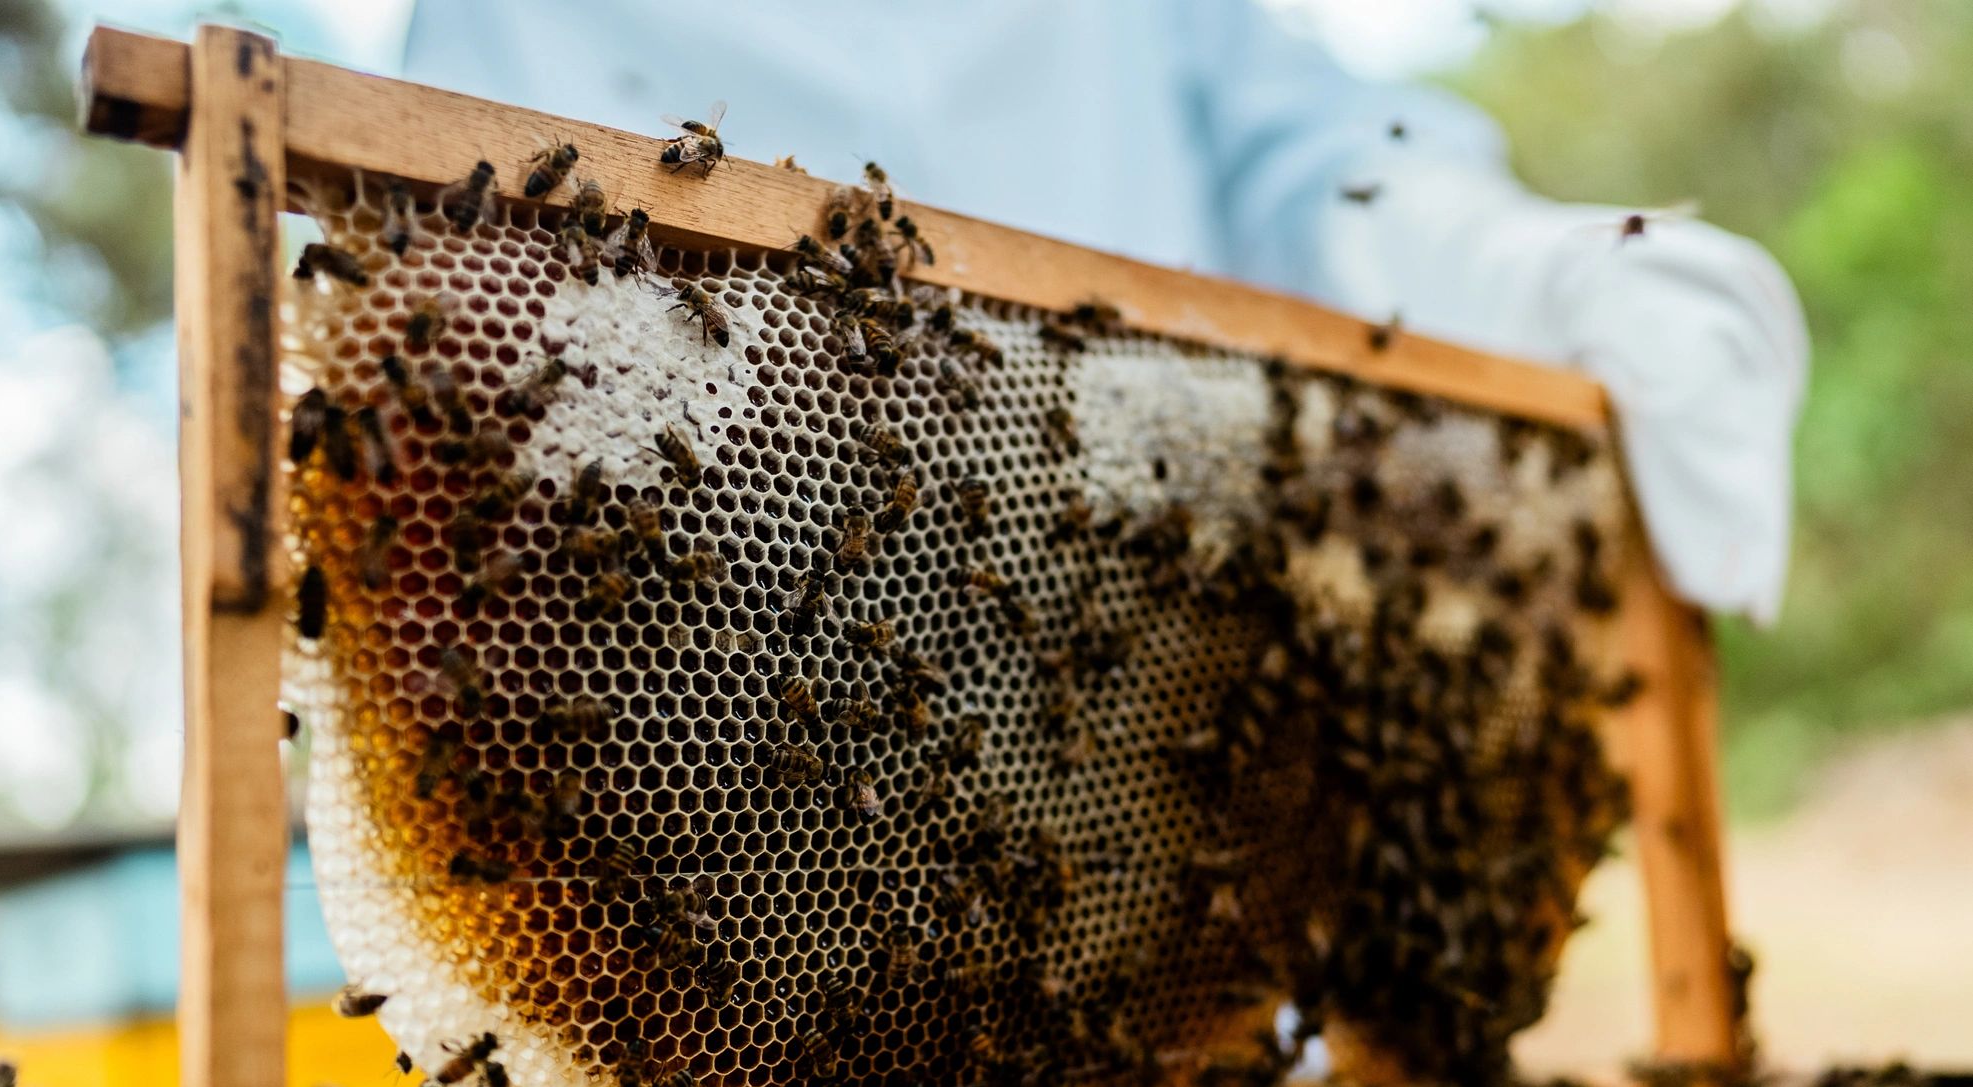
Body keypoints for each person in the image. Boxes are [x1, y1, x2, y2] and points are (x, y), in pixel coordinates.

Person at [403, 0, 1806, 624]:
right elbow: (437, 324)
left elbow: (1307, 156)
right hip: (699, 819)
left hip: (1147, 685)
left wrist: (1514, 263)